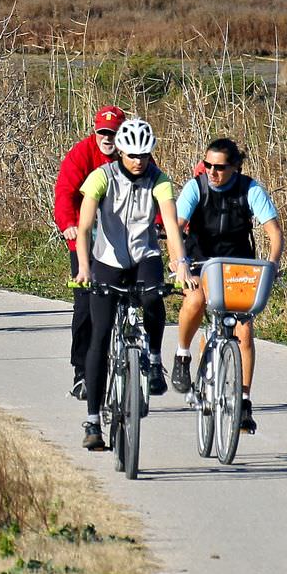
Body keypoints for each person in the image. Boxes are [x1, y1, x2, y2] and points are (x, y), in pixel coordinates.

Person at [72, 116, 191, 452]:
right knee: (99, 336)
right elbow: (84, 227)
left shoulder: (159, 180)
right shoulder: (101, 177)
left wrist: (180, 265)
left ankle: (153, 359)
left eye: (145, 155)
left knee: (154, 298)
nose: (139, 161)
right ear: (120, 152)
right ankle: (93, 420)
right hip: (106, 260)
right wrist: (84, 267)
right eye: (132, 155)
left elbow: (170, 224)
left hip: (144, 256)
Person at [172, 138, 285, 436]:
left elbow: (274, 232)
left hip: (238, 266)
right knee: (195, 302)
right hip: (200, 262)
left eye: (220, 167)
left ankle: (244, 402)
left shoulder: (250, 190)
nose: (212, 172)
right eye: (208, 165)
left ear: (235, 167)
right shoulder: (195, 188)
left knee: (244, 332)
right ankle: (183, 356)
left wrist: (272, 265)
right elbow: (176, 228)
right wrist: (179, 263)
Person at [53, 106, 127, 401]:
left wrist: (160, 225)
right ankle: (81, 372)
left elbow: (154, 196)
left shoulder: (133, 154)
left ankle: (138, 360)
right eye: (103, 132)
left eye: (114, 133)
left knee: (137, 295)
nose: (108, 138)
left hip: (122, 240)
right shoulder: (81, 153)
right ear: (95, 131)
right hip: (86, 237)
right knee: (85, 304)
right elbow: (65, 192)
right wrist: (69, 224)